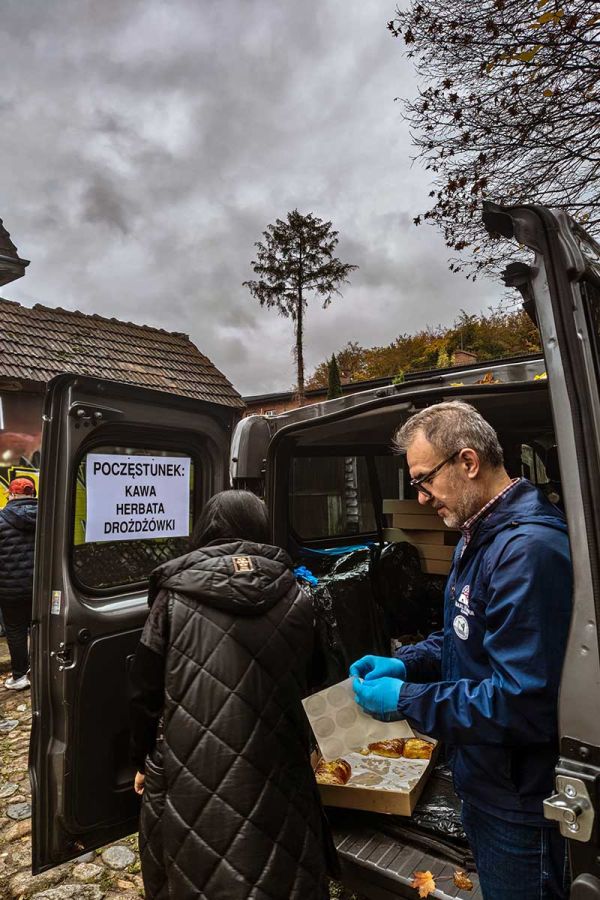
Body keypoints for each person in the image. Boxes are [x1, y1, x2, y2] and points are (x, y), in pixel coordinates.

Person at [350, 401, 572, 900]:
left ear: (468, 462)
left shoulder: (527, 551)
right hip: (485, 781)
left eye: (424, 479)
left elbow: (520, 703)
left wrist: (405, 701)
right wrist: (407, 660)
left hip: (520, 802)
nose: (421, 498)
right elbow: (464, 635)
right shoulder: (480, 535)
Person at [129, 489, 336, 900]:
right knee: (281, 868)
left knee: (197, 870)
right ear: (261, 529)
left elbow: (144, 690)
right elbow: (317, 682)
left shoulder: (173, 596)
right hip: (280, 765)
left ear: (205, 529)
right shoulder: (299, 595)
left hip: (190, 768)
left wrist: (142, 760)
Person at [0, 476, 38, 690]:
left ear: (12, 495)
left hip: (10, 590)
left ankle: (20, 676)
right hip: (40, 588)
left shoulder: (1, 519)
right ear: (32, 493)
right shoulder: (47, 517)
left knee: (15, 631)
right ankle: (40, 670)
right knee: (39, 628)